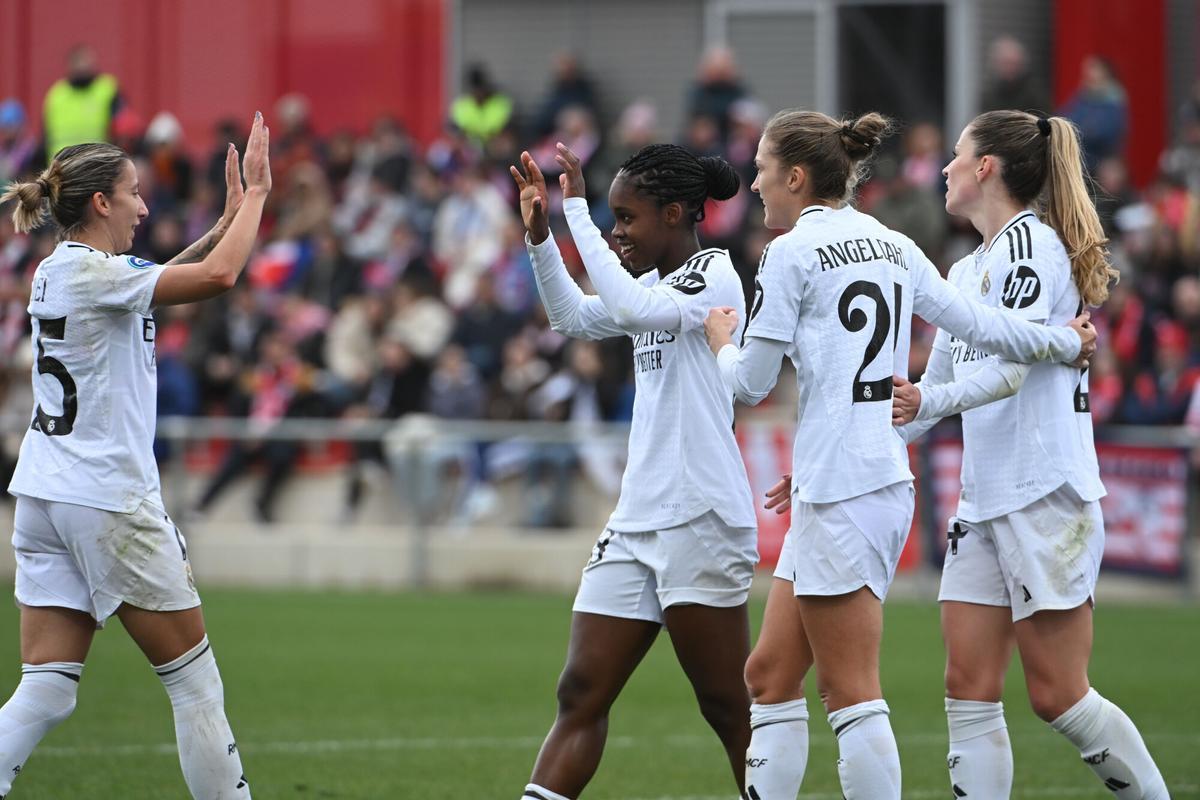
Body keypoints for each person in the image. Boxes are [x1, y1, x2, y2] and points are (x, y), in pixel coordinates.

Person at [702, 108, 1096, 800]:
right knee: (768, 673)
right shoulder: (895, 245)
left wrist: (718, 341)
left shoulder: (790, 253)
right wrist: (1066, 342)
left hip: (849, 487)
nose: (755, 183)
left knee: (849, 690)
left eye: (761, 169)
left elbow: (751, 383)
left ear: (795, 177)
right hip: (857, 476)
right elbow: (984, 328)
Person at [892, 110, 1170, 799]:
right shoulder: (966, 265)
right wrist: (835, 458)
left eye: (955, 155)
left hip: (1045, 495)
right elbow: (934, 393)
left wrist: (927, 403)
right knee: (967, 688)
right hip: (984, 501)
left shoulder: (1030, 249)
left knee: (1058, 697)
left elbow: (1012, 367)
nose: (946, 169)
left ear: (985, 167)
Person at [0, 110, 271, 798]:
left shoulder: (59, 271)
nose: (144, 207)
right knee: (195, 684)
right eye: (134, 194)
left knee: (47, 689)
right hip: (104, 499)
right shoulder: (96, 277)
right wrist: (260, 196)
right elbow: (217, 277)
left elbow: (157, 283)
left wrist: (221, 220)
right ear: (100, 202)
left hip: (42, 499)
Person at [509, 141, 757, 800]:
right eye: (612, 216)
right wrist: (541, 239)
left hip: (699, 519)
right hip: (639, 519)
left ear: (674, 213)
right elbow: (570, 317)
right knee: (580, 692)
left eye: (628, 217)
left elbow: (621, 309)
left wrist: (575, 212)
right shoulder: (652, 286)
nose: (618, 231)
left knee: (729, 709)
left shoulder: (714, 278)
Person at [42, 44, 123, 158]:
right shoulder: (57, 95)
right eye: (78, 62)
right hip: (63, 165)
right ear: (69, 65)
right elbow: (45, 135)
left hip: (98, 163)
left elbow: (123, 127)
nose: (82, 67)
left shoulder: (107, 89)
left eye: (85, 61)